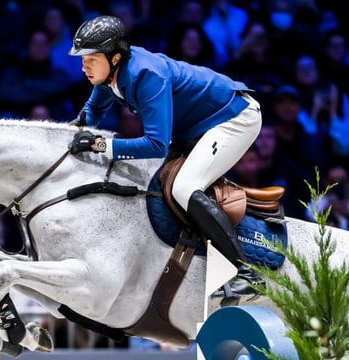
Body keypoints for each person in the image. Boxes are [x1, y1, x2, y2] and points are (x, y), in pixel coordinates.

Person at [67, 15, 263, 297]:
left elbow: (156, 145)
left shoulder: (146, 74)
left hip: (233, 118)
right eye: (82, 59)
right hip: (195, 127)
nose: (83, 66)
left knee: (184, 187)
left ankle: (245, 270)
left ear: (115, 56)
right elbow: (92, 113)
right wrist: (68, 135)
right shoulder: (108, 75)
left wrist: (100, 145)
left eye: (90, 58)